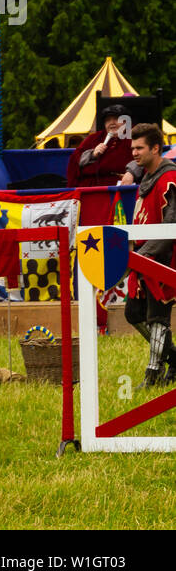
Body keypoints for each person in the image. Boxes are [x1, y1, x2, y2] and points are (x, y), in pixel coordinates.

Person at [124, 123, 176, 386]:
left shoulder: (169, 178)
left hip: (164, 258)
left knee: (158, 318)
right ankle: (175, 361)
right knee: (133, 313)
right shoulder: (147, 176)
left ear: (156, 148)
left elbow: (170, 228)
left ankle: (153, 374)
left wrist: (143, 257)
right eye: (132, 147)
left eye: (139, 148)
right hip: (145, 257)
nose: (134, 152)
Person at [68, 104, 134, 187]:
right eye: (108, 120)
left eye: (116, 119)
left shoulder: (134, 136)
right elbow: (75, 159)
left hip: (122, 185)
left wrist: (131, 172)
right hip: (92, 186)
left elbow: (144, 158)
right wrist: (92, 154)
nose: (112, 123)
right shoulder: (94, 138)